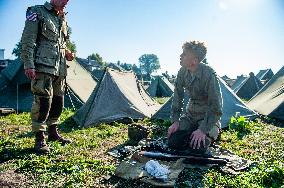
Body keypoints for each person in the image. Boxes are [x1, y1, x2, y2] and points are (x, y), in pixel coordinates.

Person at [20, 0, 74, 154]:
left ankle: (53, 132)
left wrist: (67, 52)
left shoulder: (62, 18)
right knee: (43, 102)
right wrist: (28, 64)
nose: (66, 2)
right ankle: (39, 138)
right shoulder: (37, 12)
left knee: (58, 101)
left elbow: (60, 43)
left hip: (60, 68)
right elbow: (28, 40)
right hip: (42, 66)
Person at [167, 41, 222, 154]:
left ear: (195, 61)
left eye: (185, 54)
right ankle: (192, 133)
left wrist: (202, 130)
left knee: (198, 148)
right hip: (190, 116)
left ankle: (210, 133)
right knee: (173, 142)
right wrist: (175, 121)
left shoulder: (209, 74)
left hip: (206, 118)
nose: (181, 56)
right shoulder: (182, 72)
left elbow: (216, 107)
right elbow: (177, 98)